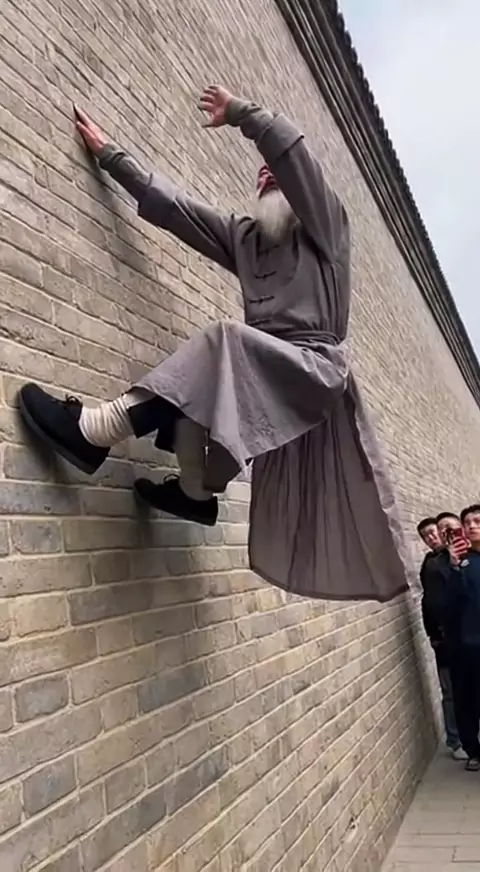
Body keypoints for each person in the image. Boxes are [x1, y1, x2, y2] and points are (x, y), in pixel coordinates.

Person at [17, 86, 412, 601]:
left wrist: (243, 115)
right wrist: (111, 156)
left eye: (277, 171)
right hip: (262, 364)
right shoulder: (246, 237)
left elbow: (291, 154)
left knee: (222, 342)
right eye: (262, 173)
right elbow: (179, 211)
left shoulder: (328, 231)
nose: (267, 174)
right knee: (203, 383)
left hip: (311, 368)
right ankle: (195, 492)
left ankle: (96, 430)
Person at [417, 516, 466, 760]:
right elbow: (428, 600)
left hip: (465, 633)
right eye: (426, 536)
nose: (431, 537)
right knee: (449, 691)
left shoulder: (459, 555)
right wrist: (432, 634)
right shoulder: (429, 562)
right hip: (443, 638)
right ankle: (455, 740)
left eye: (434, 532)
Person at [444, 504, 480, 771]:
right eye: (467, 522)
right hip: (468, 645)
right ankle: (474, 751)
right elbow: (450, 603)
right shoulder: (459, 562)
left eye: (477, 521)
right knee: (467, 701)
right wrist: (455, 568)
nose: (471, 526)